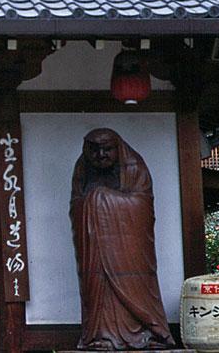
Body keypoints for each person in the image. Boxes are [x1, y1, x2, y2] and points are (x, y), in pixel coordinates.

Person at [70, 129, 174, 350]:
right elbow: (76, 205)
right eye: (94, 150)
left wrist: (101, 199)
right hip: (94, 248)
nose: (100, 155)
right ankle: (101, 335)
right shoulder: (82, 169)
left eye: (107, 149)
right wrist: (91, 205)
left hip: (129, 248)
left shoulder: (134, 166)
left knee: (135, 285)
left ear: (118, 148)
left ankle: (148, 332)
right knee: (98, 286)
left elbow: (143, 204)